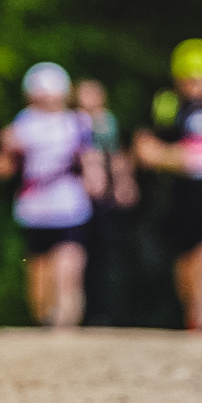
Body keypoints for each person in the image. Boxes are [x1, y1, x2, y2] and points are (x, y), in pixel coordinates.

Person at [133, 38, 202, 333]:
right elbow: (143, 149)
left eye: (201, 76)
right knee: (186, 267)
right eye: (188, 77)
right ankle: (198, 318)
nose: (195, 84)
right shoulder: (166, 106)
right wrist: (178, 159)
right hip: (178, 199)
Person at [0, 62, 104, 329]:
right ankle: (46, 324)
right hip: (35, 210)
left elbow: (91, 160)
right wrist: (5, 148)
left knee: (68, 272)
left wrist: (95, 181)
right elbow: (1, 170)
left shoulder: (77, 123)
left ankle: (65, 328)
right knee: (39, 280)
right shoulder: (22, 124)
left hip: (69, 207)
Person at [75, 75, 137, 323]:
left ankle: (104, 313)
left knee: (104, 259)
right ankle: (84, 313)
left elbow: (116, 155)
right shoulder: (71, 122)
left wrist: (124, 184)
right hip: (76, 200)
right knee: (80, 259)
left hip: (104, 201)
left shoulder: (107, 123)